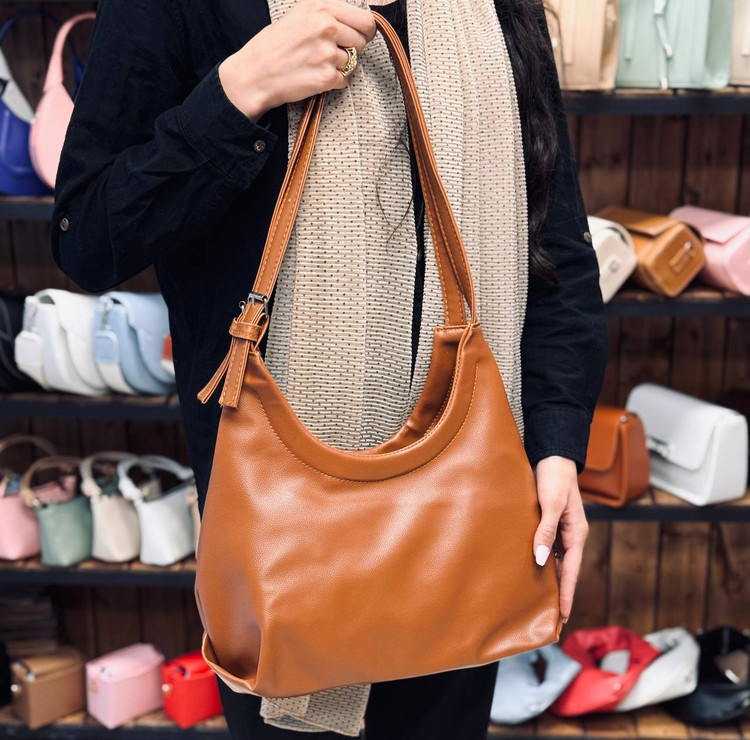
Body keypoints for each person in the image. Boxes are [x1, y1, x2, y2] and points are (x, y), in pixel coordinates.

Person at [51, 0, 608, 737]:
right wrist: (237, 95)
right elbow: (88, 236)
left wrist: (558, 441)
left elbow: (552, 239)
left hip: (470, 512)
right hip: (285, 535)